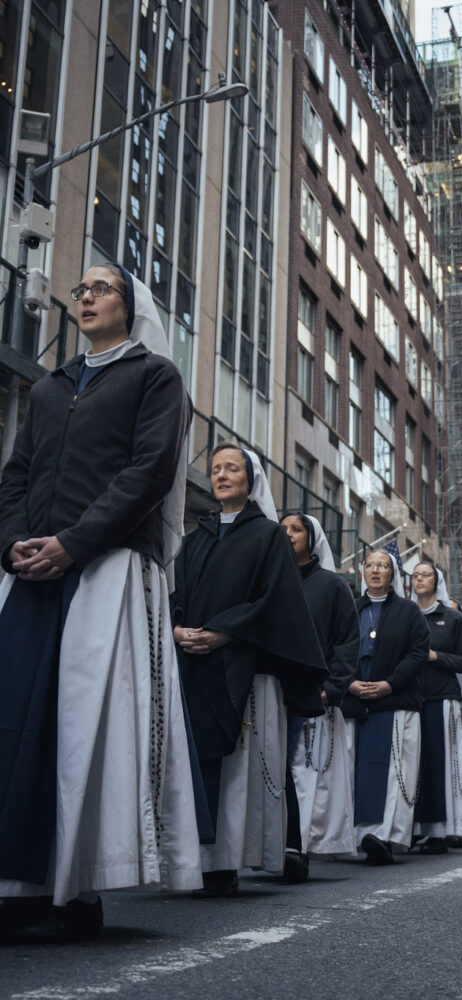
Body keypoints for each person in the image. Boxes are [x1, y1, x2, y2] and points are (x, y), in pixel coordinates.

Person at [0, 263, 201, 938]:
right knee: (17, 724)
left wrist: (75, 542)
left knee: (85, 728)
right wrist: (12, 545)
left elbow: (149, 473)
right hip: (33, 574)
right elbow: (17, 474)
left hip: (105, 570)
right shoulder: (53, 386)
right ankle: (18, 885)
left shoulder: (155, 377)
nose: (84, 297)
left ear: (129, 305)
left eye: (100, 288)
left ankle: (78, 892)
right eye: (80, 290)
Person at [172, 444, 328, 896]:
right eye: (215, 469)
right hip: (196, 663)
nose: (221, 476)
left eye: (232, 469)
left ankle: (225, 862)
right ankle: (192, 858)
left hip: (244, 667)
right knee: (196, 763)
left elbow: (275, 602)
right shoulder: (196, 537)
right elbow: (176, 591)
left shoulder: (267, 536)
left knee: (236, 769)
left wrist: (225, 634)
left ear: (250, 478)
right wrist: (178, 628)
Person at [280, 512, 359, 882]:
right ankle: (276, 845)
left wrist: (334, 685)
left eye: (296, 529)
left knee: (307, 774)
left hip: (315, 693)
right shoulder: (272, 579)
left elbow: (346, 641)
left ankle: (302, 847)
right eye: (282, 529)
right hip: (273, 690)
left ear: (312, 538)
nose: (288, 534)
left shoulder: (332, 585)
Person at [341, 550, 429, 864]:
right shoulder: (351, 608)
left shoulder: (408, 611)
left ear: (392, 574)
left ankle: (385, 837)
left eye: (383, 566)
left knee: (392, 774)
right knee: (356, 772)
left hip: (394, 702)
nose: (376, 570)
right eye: (370, 565)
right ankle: (352, 837)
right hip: (357, 701)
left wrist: (389, 684)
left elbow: (418, 654)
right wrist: (350, 682)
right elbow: (337, 648)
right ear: (362, 571)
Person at [410, 566, 462, 852]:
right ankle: (412, 829)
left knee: (442, 766)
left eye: (425, 574)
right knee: (414, 766)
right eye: (414, 575)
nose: (419, 579)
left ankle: (441, 831)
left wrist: (437, 657)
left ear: (437, 582)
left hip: (443, 700)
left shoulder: (452, 619)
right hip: (410, 700)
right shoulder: (405, 615)